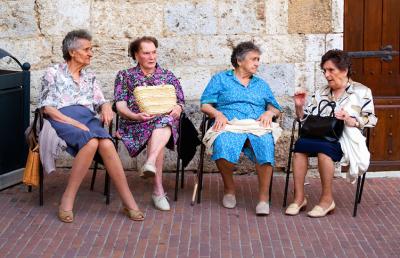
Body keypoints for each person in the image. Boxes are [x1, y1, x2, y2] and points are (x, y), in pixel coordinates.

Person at [39, 29, 143, 223]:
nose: (91, 53)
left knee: (106, 143)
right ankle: (67, 200)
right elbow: (48, 109)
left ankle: (128, 201)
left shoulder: (90, 77)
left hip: (87, 118)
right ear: (72, 52)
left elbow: (101, 101)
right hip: (61, 118)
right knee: (91, 142)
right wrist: (74, 123)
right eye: (87, 49)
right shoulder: (53, 73)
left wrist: (105, 108)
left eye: (91, 49)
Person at [285, 49, 377, 218]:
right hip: (319, 134)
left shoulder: (362, 91)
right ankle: (299, 198)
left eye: (331, 70)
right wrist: (299, 106)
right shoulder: (321, 92)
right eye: (324, 71)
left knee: (324, 151)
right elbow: (305, 120)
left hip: (344, 138)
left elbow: (371, 119)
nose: (326, 75)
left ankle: (327, 200)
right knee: (300, 148)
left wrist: (350, 120)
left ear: (344, 70)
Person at [200, 41, 282, 215]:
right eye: (253, 59)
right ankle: (229, 189)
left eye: (258, 59)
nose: (257, 63)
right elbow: (205, 104)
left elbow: (275, 107)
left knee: (266, 145)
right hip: (229, 124)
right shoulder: (221, 79)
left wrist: (269, 114)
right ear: (239, 61)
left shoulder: (261, 84)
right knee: (222, 144)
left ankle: (263, 198)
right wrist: (218, 114)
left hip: (256, 125)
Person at [114, 36, 185, 211]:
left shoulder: (167, 76)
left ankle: (152, 166)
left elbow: (181, 101)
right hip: (135, 123)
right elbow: (120, 105)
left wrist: (178, 108)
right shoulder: (125, 76)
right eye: (146, 53)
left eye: (154, 52)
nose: (152, 57)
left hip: (164, 121)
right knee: (160, 125)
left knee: (163, 121)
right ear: (136, 55)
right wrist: (135, 116)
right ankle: (157, 190)